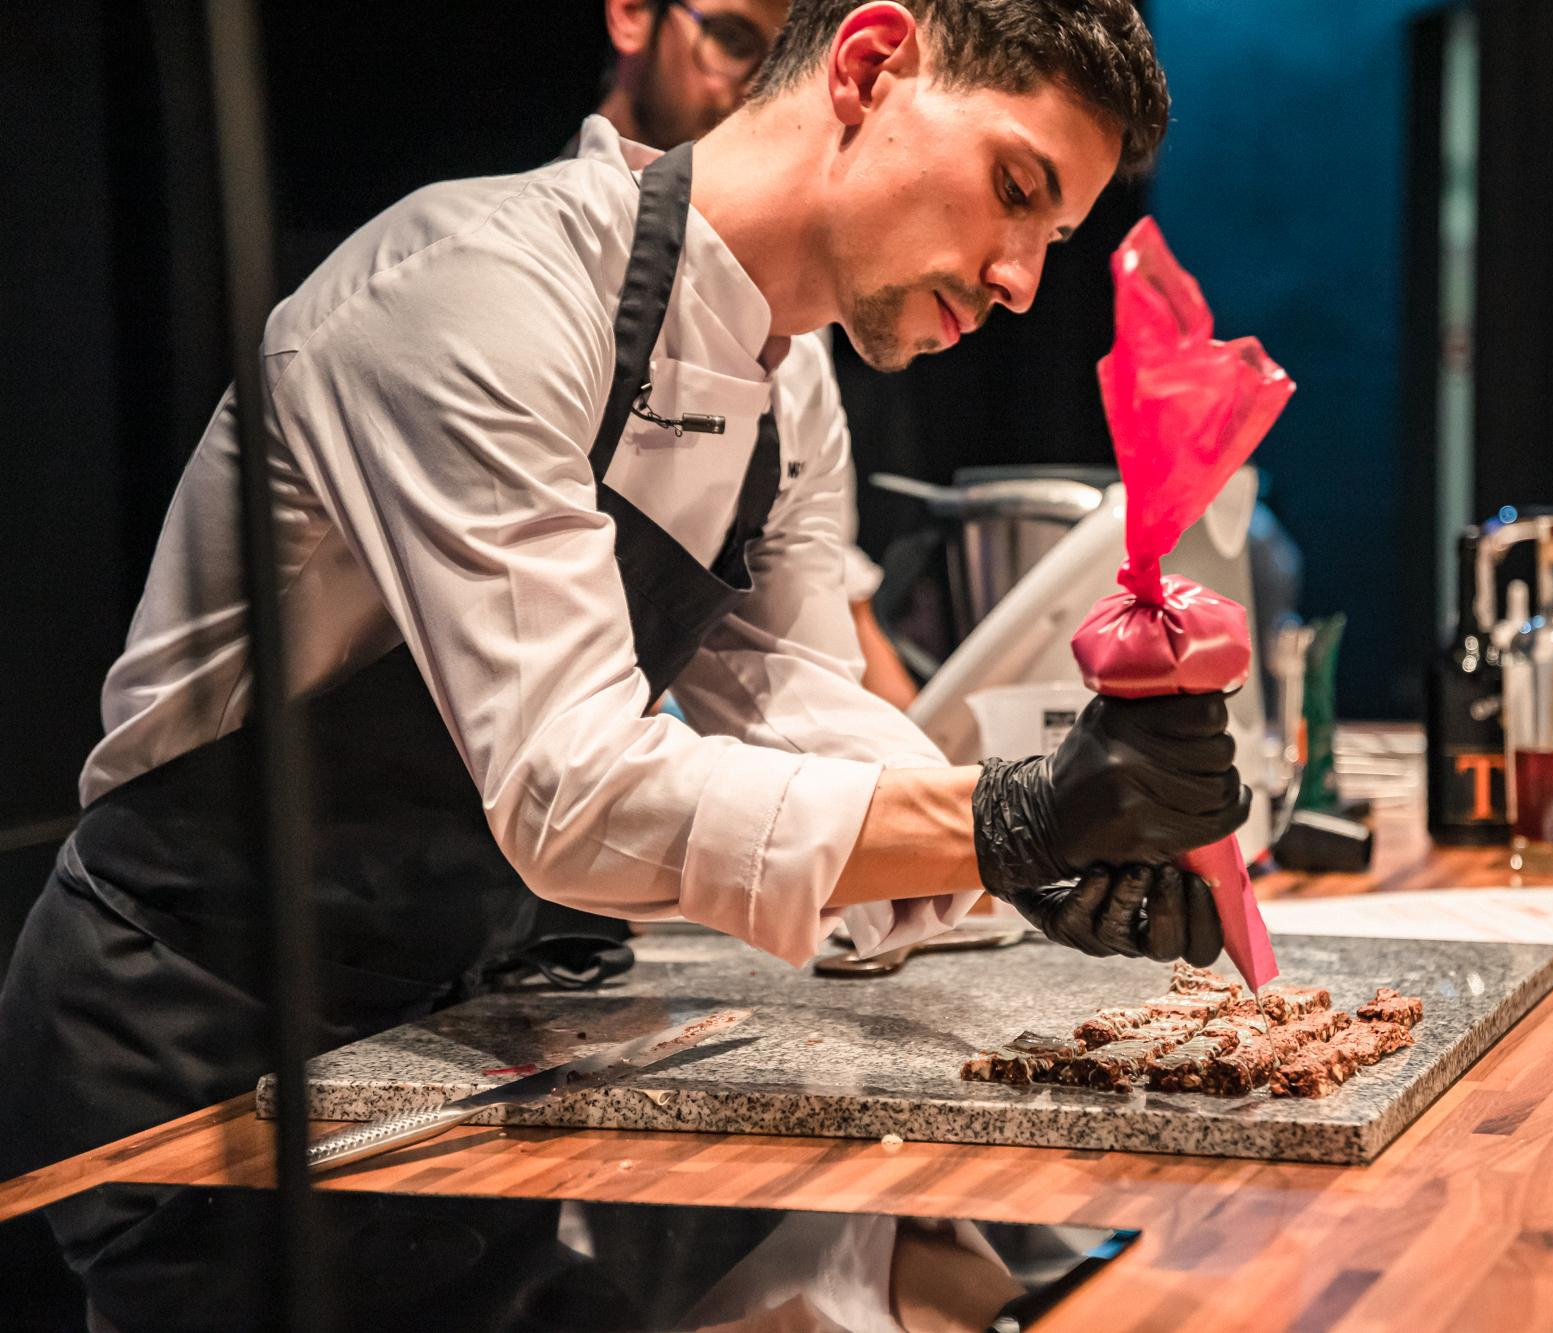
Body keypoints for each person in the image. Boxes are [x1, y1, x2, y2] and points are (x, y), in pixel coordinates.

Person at [0, 0, 1244, 1180]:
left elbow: (791, 696)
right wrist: (1004, 816)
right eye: (1013, 190)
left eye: (1054, 240)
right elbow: (570, 788)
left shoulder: (792, 390)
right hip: (185, 1020)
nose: (1021, 279)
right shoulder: (480, 291)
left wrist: (1028, 859)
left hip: (443, 1014)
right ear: (867, 69)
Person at [599, 0, 921, 708]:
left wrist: (981, 789)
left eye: (783, 62)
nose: (759, 93)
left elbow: (813, 665)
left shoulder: (798, 339)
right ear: (630, 14)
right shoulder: (538, 271)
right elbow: (558, 755)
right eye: (733, 39)